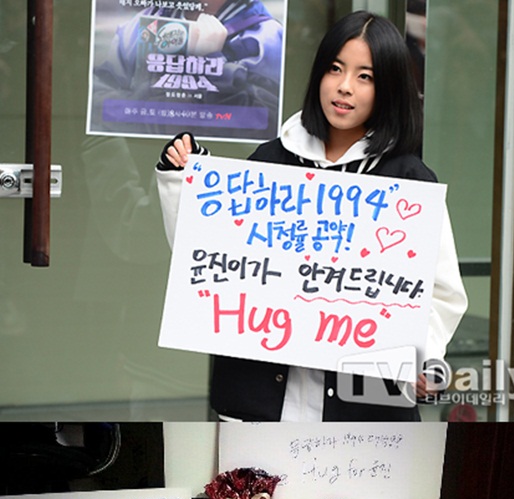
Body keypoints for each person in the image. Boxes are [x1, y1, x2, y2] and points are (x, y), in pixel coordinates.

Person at [155, 10, 468, 421]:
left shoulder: (408, 181)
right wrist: (183, 179)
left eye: (365, 76)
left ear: (388, 88)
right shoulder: (271, 162)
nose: (344, 86)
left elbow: (441, 293)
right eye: (335, 69)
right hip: (259, 408)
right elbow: (210, 262)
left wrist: (419, 355)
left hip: (363, 415)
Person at [89, 0, 284, 140]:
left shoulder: (264, 38)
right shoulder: (139, 26)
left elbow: (263, 128)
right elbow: (100, 107)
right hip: (141, 166)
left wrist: (211, 65)